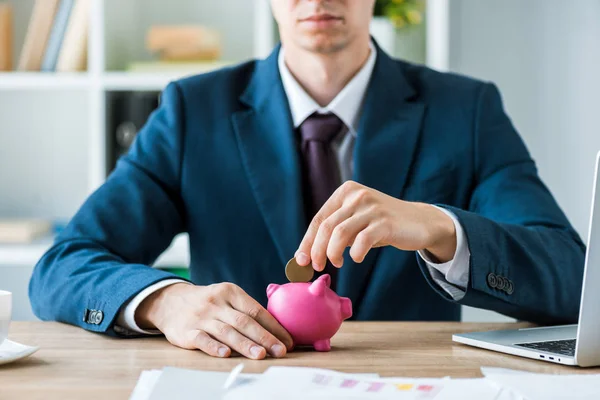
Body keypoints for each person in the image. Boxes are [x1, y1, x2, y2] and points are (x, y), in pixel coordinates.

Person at [29, 0, 585, 361]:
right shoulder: (191, 111)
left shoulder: (465, 110)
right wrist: (163, 302)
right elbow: (63, 265)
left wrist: (441, 228)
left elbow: (574, 278)